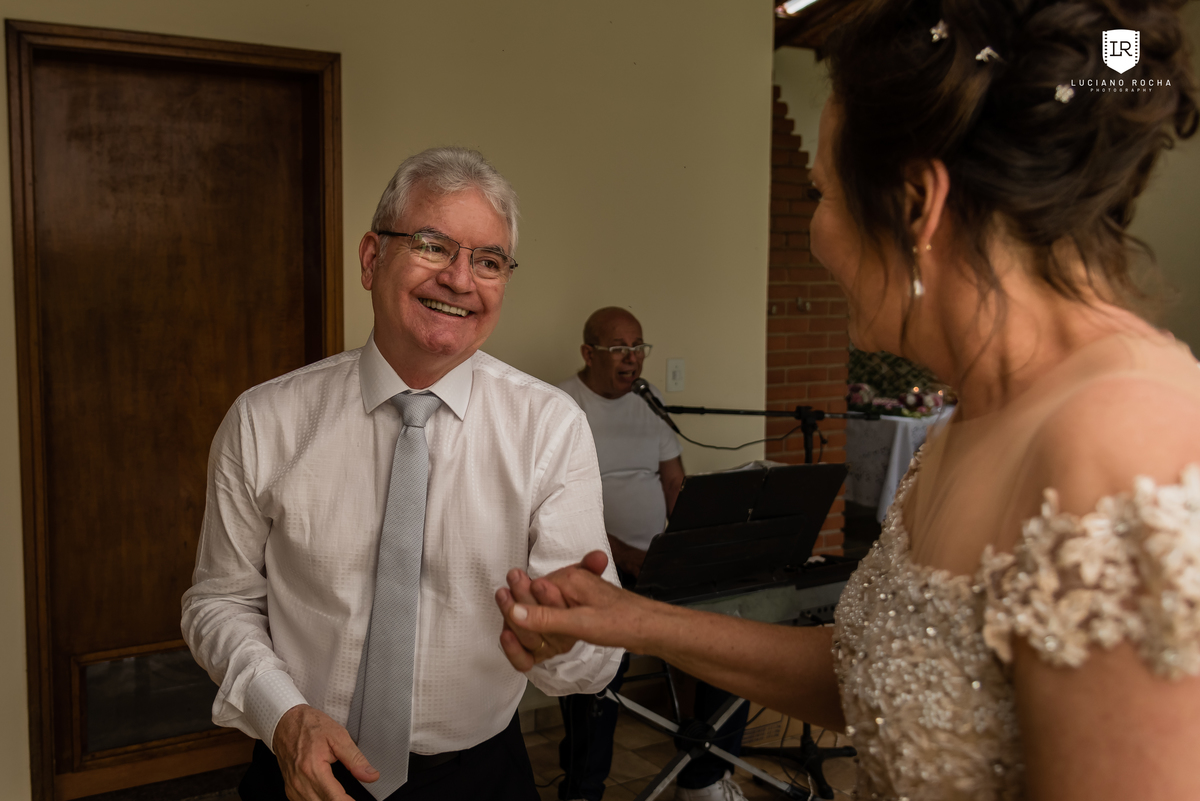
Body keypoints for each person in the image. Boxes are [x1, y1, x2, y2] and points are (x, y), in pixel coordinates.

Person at [494, 1, 1200, 799]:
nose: (815, 233)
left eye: (821, 193)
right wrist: (627, 618)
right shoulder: (971, 421)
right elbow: (883, 676)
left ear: (915, 204)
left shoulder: (1122, 449)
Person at [182, 147, 623, 801]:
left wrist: (568, 644)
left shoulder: (549, 428)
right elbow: (219, 602)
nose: (460, 279)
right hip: (298, 765)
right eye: (432, 246)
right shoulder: (264, 419)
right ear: (371, 259)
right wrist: (282, 715)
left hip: (481, 779)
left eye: (489, 261)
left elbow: (592, 656)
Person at [555, 308, 747, 801]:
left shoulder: (649, 400)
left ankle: (704, 779)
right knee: (599, 656)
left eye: (638, 347)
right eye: (619, 348)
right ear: (589, 353)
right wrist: (622, 554)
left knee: (733, 629)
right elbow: (560, 507)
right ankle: (583, 789)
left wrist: (688, 547)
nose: (632, 358)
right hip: (596, 565)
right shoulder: (560, 405)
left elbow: (674, 482)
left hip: (658, 560)